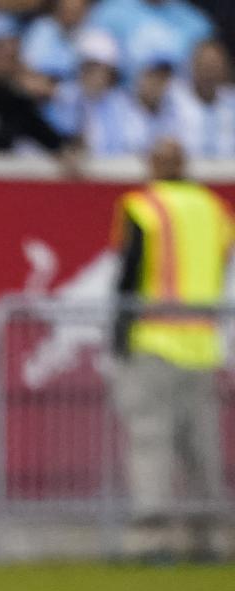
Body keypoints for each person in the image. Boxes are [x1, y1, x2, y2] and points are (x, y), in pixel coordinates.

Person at [111, 138, 233, 561]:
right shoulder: (213, 208)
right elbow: (220, 262)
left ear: (154, 164)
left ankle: (152, 541)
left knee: (151, 443)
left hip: (155, 340)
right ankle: (212, 539)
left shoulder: (145, 207)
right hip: (201, 345)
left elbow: (129, 274)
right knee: (203, 448)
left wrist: (118, 336)